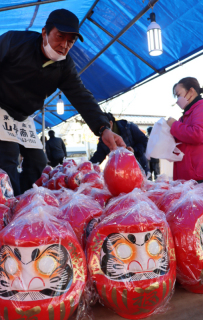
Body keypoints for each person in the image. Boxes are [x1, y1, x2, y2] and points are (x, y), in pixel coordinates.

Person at [0, 9, 126, 196]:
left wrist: (103, 128)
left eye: (71, 41)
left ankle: (25, 204)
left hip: (23, 117)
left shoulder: (65, 66)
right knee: (7, 158)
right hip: (1, 106)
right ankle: (7, 209)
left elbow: (81, 95)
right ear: (44, 32)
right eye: (60, 36)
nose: (64, 45)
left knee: (38, 163)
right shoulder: (14, 42)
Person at [167, 77, 203, 182]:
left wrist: (174, 125)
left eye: (178, 95)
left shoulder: (200, 108)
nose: (177, 100)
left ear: (191, 91)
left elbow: (198, 134)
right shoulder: (185, 116)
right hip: (186, 177)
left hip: (198, 177)